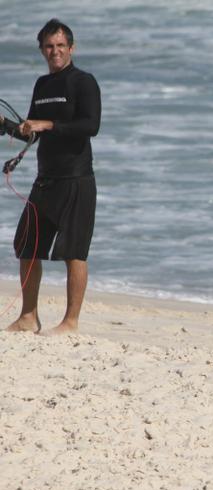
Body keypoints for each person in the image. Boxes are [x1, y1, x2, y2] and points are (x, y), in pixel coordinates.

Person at [4, 19, 101, 335]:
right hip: (45, 180)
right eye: (49, 46)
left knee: (74, 251)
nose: (55, 51)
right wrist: (7, 126)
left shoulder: (83, 82)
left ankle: (70, 322)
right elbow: (31, 133)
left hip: (76, 180)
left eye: (60, 45)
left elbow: (90, 127)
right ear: (42, 49)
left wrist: (49, 125)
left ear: (71, 48)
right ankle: (29, 317)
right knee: (26, 246)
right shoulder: (42, 86)